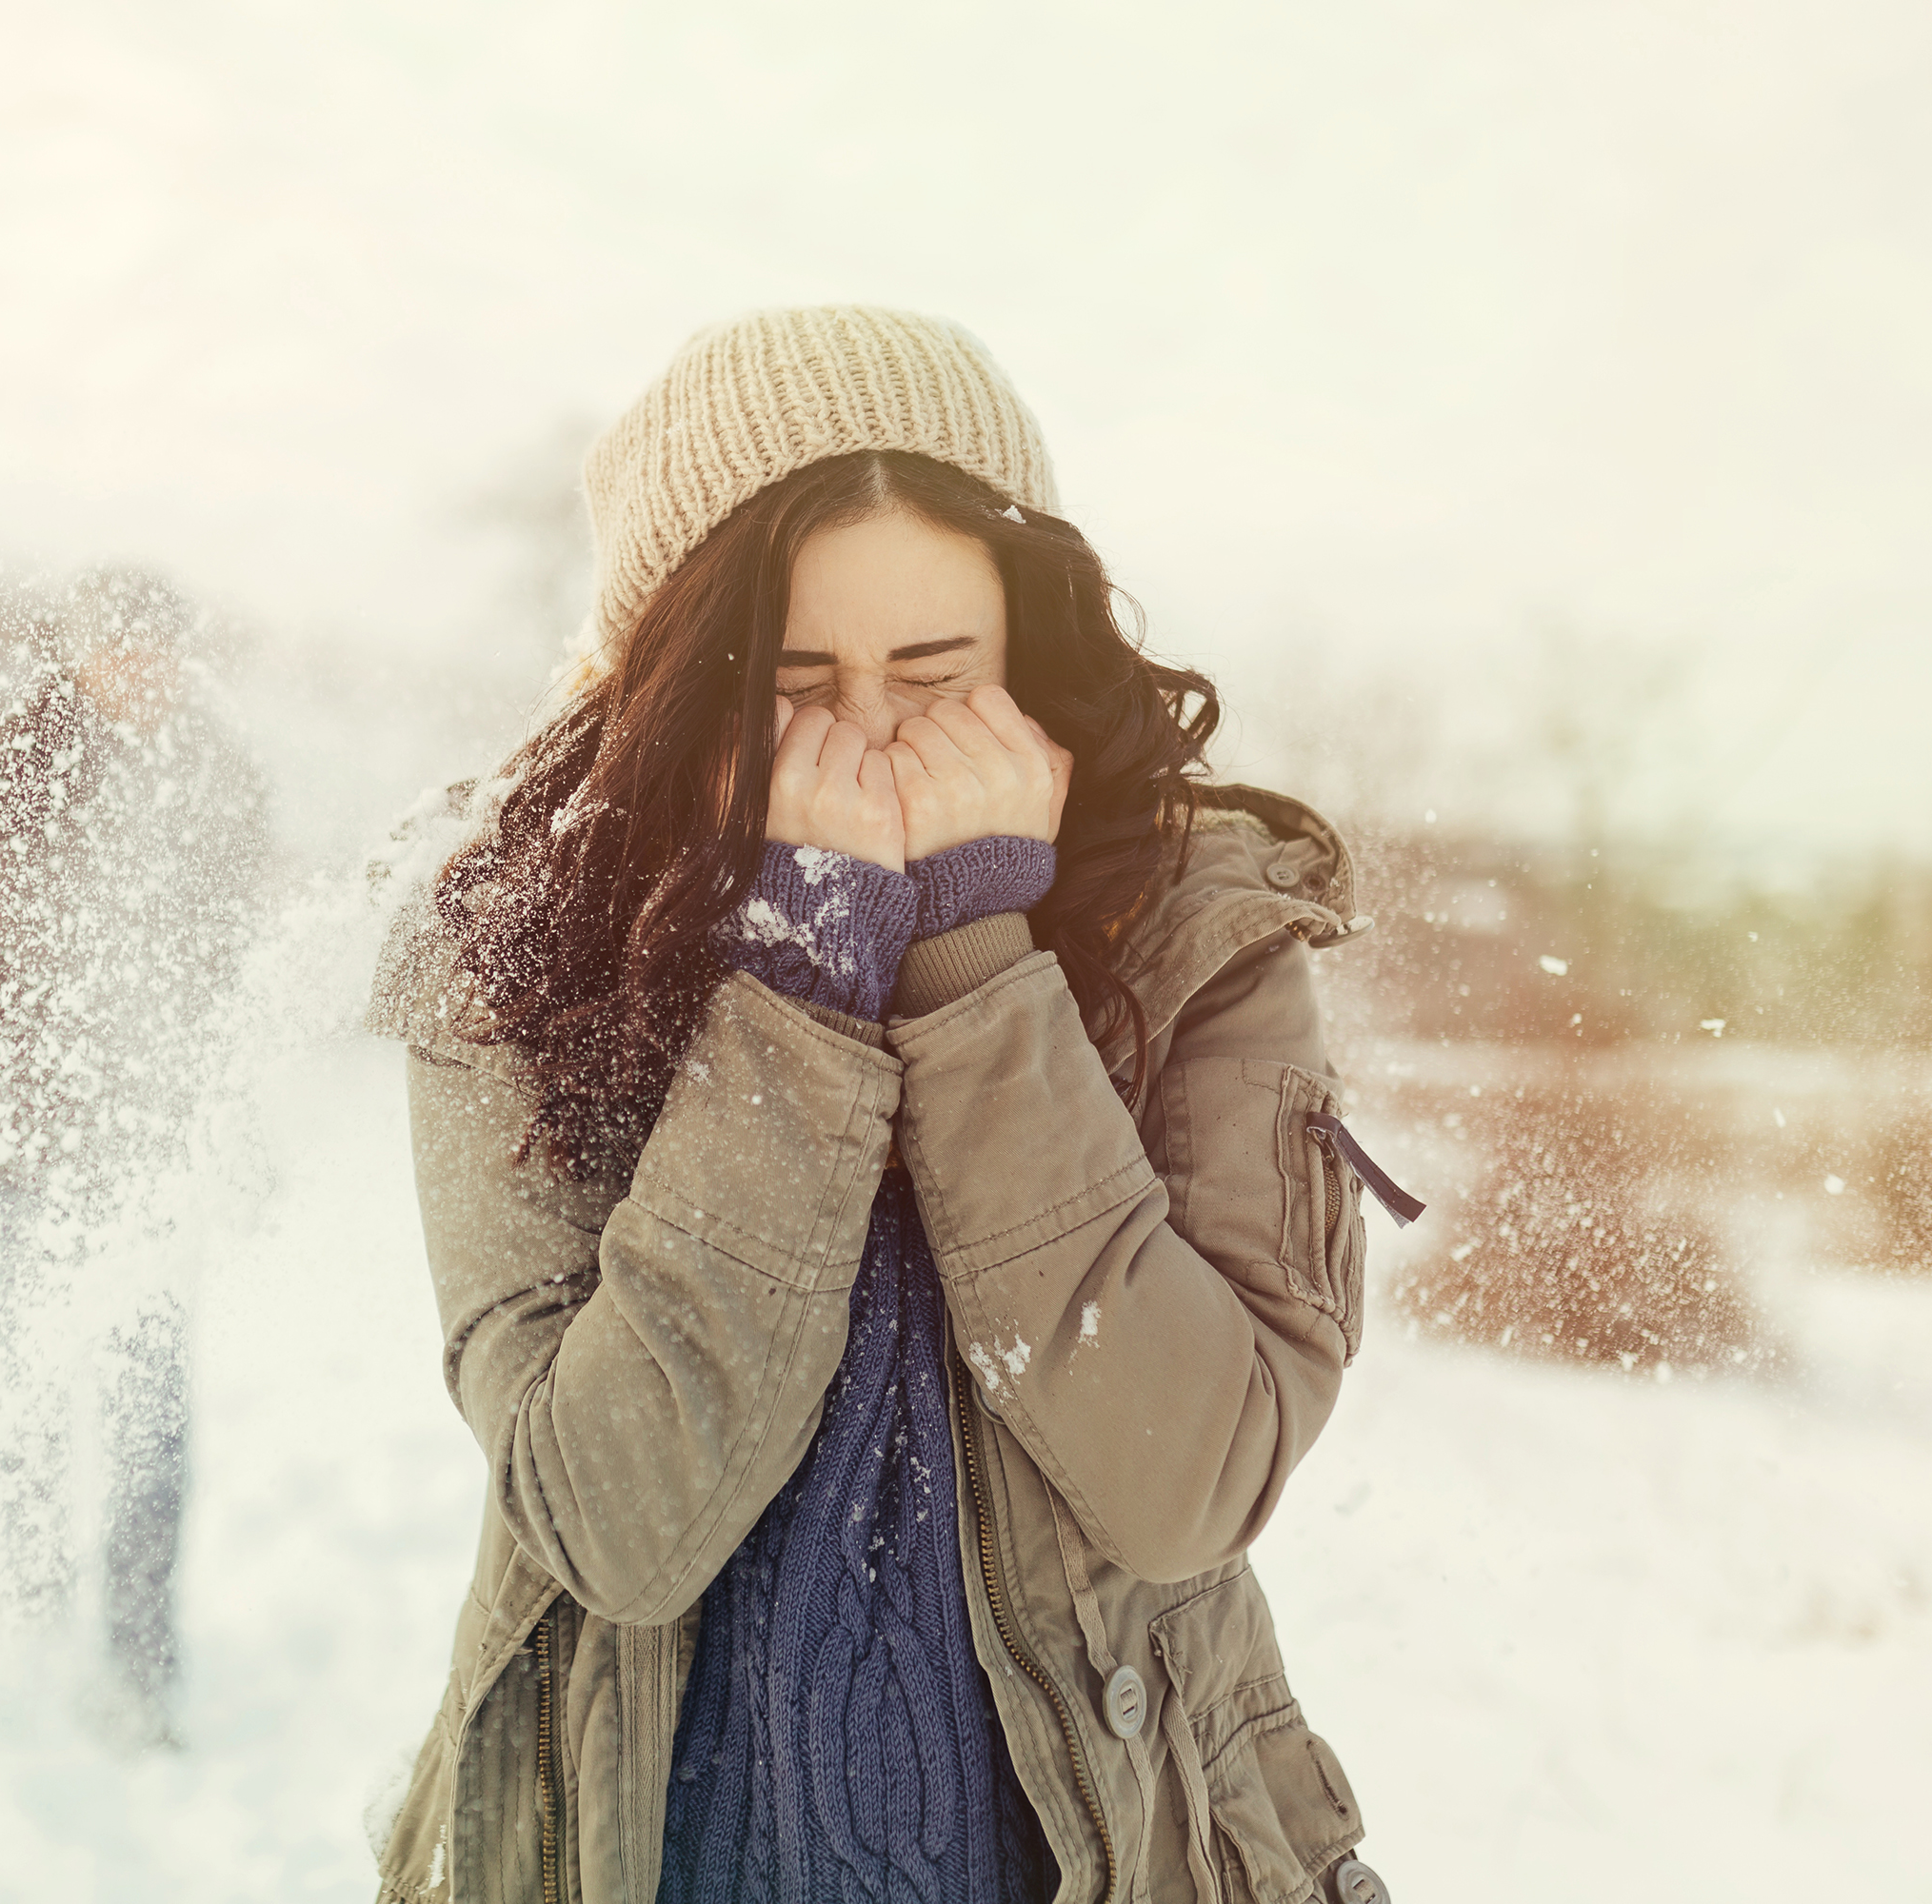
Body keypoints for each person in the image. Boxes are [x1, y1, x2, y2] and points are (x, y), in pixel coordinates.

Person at [370, 308, 1407, 1902]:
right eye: (790, 685)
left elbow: (1185, 1480)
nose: (865, 737)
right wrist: (802, 978)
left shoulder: (1197, 928)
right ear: (671, 683)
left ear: (1030, 650)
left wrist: (978, 963)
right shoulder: (523, 958)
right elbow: (619, 1524)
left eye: (935, 674)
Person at [0, 567, 269, 1748]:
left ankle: (138, 1667)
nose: (137, 669)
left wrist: (219, 1117)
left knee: (152, 1417)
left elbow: (238, 958)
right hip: (26, 1145)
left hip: (147, 1159)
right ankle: (26, 1602)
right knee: (31, 1391)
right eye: (116, 646)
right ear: (82, 651)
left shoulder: (220, 775)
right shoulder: (25, 764)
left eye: (156, 648)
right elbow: (10, 950)